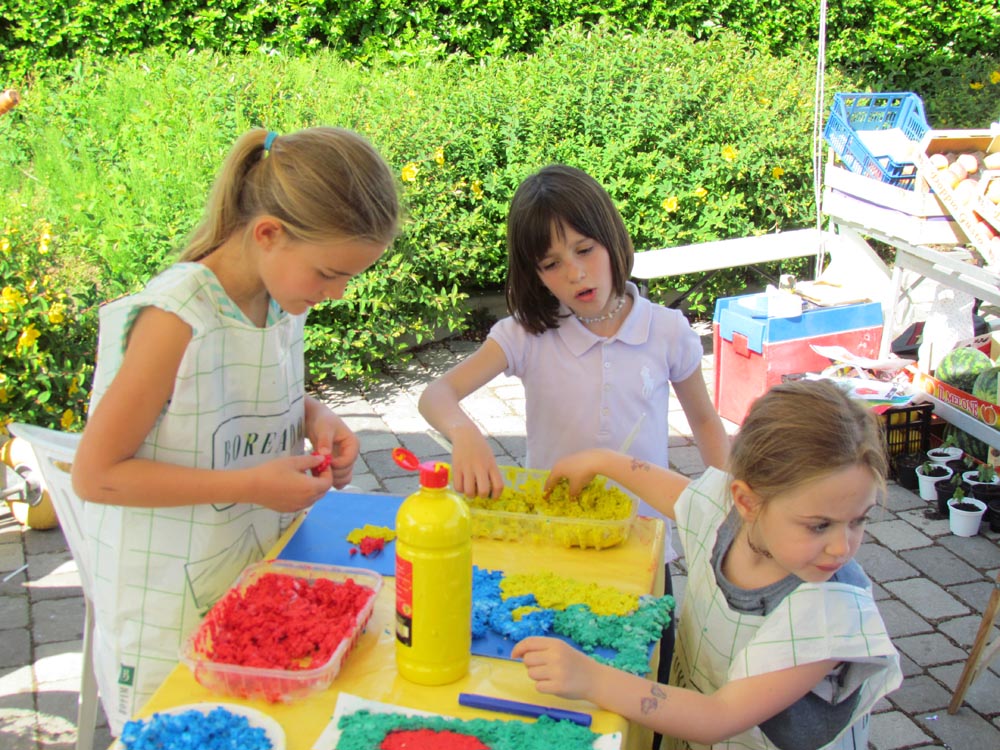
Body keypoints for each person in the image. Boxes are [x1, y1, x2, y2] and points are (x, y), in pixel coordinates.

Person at [70, 126, 399, 733]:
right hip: (168, 615)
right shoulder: (175, 318)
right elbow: (96, 476)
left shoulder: (277, 296)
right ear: (268, 234)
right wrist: (250, 485)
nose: (336, 294)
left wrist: (314, 415)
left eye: (348, 278)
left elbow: (234, 388)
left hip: (250, 590)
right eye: (329, 273)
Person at [418, 164, 730, 712]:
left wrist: (731, 501)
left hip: (643, 543)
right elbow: (436, 395)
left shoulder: (666, 330)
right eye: (552, 264)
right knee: (554, 682)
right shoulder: (526, 334)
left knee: (644, 678)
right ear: (534, 273)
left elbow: (705, 422)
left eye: (585, 250)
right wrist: (463, 432)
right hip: (553, 544)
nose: (576, 273)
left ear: (612, 239)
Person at [512, 379, 903, 750]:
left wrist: (592, 679)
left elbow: (720, 716)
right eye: (820, 526)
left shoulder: (828, 611)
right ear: (746, 502)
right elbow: (682, 497)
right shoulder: (726, 512)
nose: (842, 547)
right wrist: (604, 460)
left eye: (859, 520)